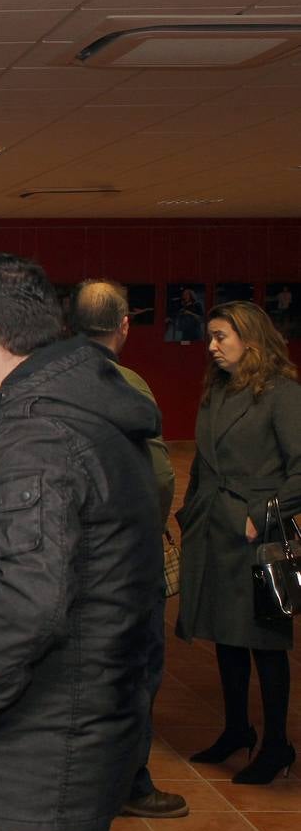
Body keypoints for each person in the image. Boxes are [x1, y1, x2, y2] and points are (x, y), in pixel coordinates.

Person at [0, 253, 162, 831]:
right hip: (82, 749)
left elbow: (28, 595)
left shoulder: (35, 432)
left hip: (19, 774)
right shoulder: (84, 408)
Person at [71, 280, 188, 818]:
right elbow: (160, 474)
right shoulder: (128, 382)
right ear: (123, 326)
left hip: (67, 556)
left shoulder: (47, 379)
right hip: (125, 560)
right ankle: (130, 784)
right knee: (136, 672)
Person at [176, 300, 299, 785]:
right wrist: (189, 515)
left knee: (265, 644)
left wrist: (261, 517)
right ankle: (236, 730)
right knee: (225, 637)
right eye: (209, 336)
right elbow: (205, 463)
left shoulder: (282, 394)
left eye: (220, 337)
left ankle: (276, 745)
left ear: (250, 339)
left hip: (256, 537)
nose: (211, 346)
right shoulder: (217, 391)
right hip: (212, 528)